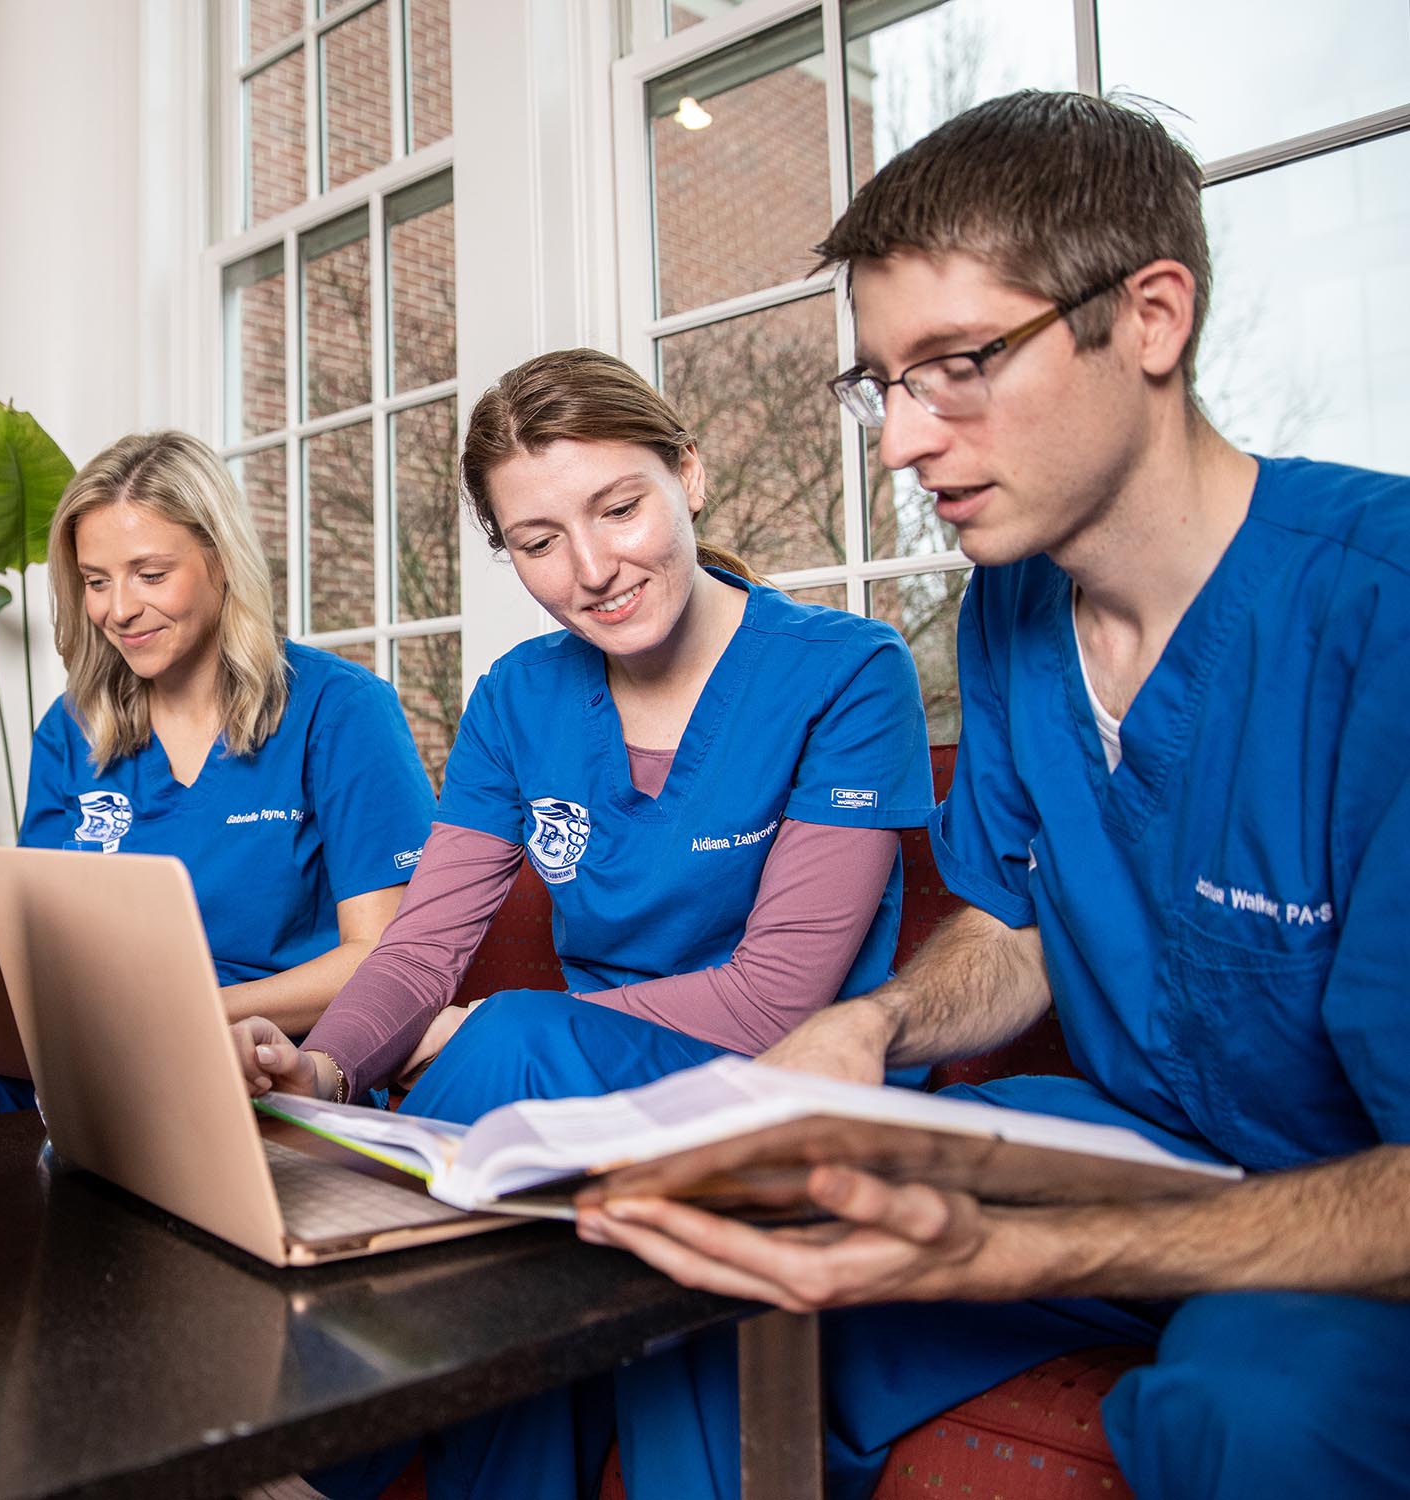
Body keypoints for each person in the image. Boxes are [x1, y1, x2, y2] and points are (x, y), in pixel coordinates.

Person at [577, 91, 1410, 1500]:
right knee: (721, 1258)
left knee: (1257, 1413)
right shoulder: (1011, 613)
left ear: (1150, 317)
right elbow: (1017, 924)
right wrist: (878, 1021)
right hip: (1145, 1150)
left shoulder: (1377, 617)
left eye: (957, 364)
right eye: (882, 385)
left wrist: (1035, 1250)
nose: (899, 441)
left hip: (1348, 1214)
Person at [232, 348, 936, 1500]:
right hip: (574, 1118)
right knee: (506, 1254)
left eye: (619, 508)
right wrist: (320, 1065)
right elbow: (419, 946)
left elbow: (777, 996)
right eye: (538, 541)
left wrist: (501, 1034)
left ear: (689, 478)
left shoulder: (850, 673)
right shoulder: (520, 695)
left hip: (777, 1097)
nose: (593, 569)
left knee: (507, 1043)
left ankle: (300, 1461)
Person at [0, 430, 436, 1115]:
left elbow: (382, 957)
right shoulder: (72, 728)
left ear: (222, 563)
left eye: (150, 575)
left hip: (266, 1055)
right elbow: (39, 943)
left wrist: (191, 1013)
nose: (119, 609)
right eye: (97, 582)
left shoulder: (341, 710)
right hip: (98, 1045)